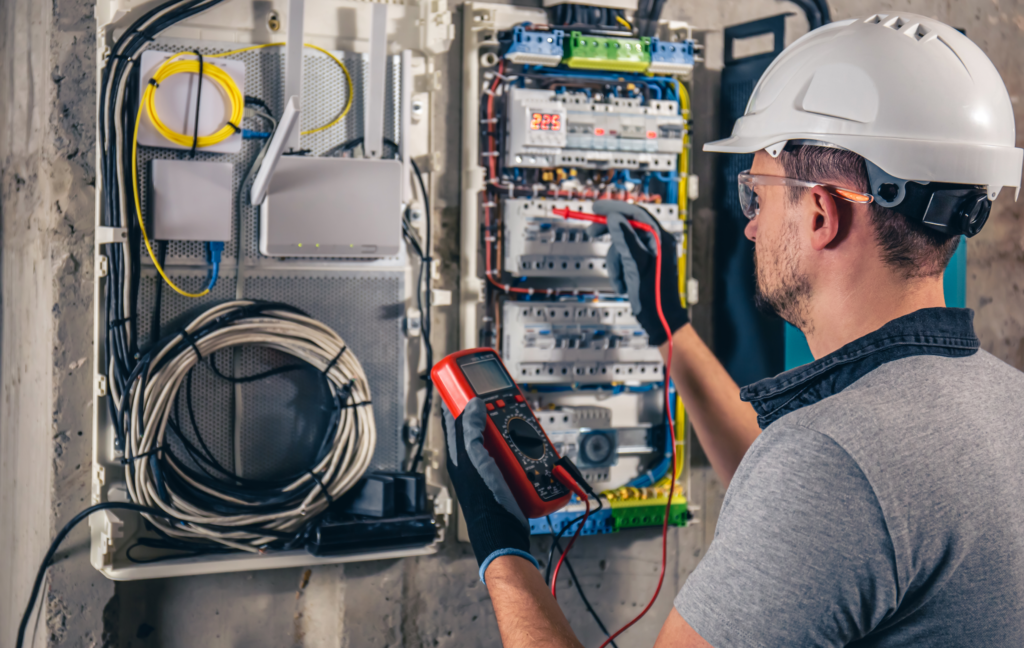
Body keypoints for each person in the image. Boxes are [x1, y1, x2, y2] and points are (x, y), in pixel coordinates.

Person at [443, 12, 1024, 647]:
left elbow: (831, 494)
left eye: (758, 195)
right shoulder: (1003, 404)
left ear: (822, 213)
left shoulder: (832, 468)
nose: (749, 226)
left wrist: (502, 548)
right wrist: (670, 331)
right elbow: (836, 526)